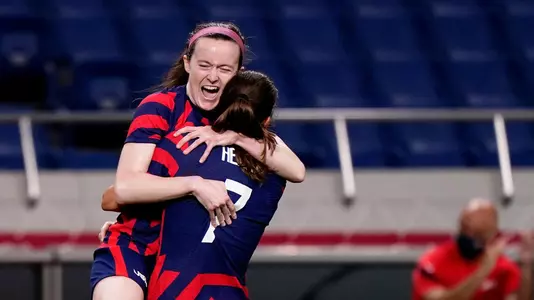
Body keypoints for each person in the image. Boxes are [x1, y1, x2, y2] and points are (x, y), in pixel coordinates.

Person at [91, 22, 305, 300]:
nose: (213, 77)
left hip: (193, 261)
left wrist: (235, 138)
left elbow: (297, 170)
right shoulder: (162, 107)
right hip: (136, 245)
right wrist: (195, 184)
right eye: (205, 65)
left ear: (238, 74)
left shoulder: (241, 122)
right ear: (187, 63)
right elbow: (123, 189)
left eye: (224, 69)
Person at [148, 70, 285, 299]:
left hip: (172, 290)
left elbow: (120, 196)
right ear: (267, 121)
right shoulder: (275, 177)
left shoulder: (181, 145)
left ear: (220, 105)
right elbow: (291, 165)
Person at [411, 198, 533, 300]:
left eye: (477, 235)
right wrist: (484, 270)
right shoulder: (432, 262)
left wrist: (527, 265)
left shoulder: (504, 268)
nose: (469, 237)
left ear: (491, 235)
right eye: (465, 229)